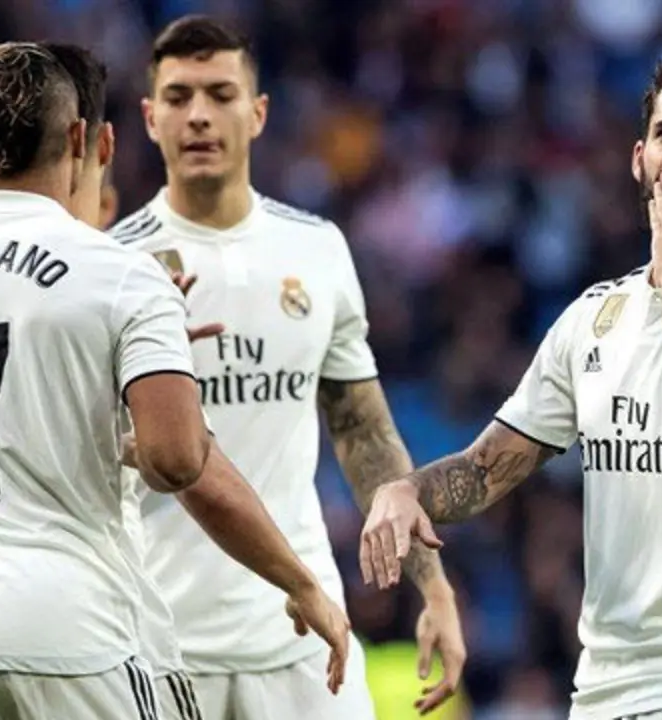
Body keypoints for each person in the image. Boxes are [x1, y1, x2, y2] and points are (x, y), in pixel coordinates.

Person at [362, 50, 662, 720]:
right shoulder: (594, 317)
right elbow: (486, 470)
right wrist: (409, 491)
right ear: (638, 156)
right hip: (603, 691)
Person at [110, 15, 466, 719]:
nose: (200, 115)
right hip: (159, 643)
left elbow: (363, 432)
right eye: (179, 98)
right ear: (150, 118)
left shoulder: (317, 249)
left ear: (259, 111)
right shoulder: (112, 264)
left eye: (220, 93)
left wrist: (434, 587)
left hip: (306, 637)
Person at [0, 41, 351, 719]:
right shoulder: (125, 271)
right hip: (68, 636)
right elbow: (179, 461)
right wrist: (300, 583)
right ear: (83, 140)